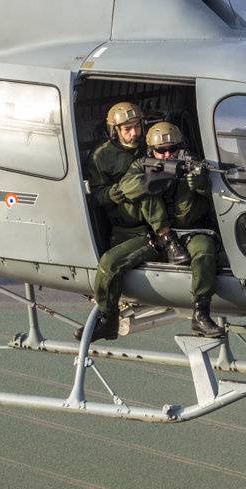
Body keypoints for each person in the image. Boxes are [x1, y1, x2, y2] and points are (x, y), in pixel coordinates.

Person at [78, 104, 190, 342]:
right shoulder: (101, 157)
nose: (133, 134)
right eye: (127, 129)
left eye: (136, 127)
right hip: (124, 229)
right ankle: (109, 319)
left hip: (149, 232)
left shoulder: (150, 146)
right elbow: (96, 195)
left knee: (145, 187)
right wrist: (117, 192)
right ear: (115, 130)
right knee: (109, 264)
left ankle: (166, 237)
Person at [117, 122, 225, 338]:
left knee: (204, 251)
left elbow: (216, 197)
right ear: (151, 151)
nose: (167, 155)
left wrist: (201, 184)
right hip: (158, 236)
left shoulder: (193, 164)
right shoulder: (142, 165)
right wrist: (154, 179)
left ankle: (201, 313)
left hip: (192, 231)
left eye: (172, 149)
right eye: (161, 151)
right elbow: (126, 187)